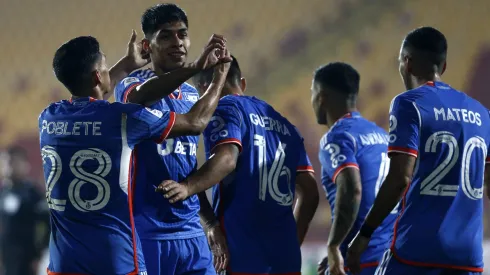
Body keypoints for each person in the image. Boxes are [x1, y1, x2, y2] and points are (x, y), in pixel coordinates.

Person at [41, 34, 230, 274]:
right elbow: (195, 122)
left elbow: (90, 100)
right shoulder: (122, 119)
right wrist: (219, 75)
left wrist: (128, 63)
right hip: (115, 259)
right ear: (98, 76)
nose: (111, 72)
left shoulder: (48, 118)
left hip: (63, 261)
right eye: (106, 68)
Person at [157, 55, 320, 275]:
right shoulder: (286, 125)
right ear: (242, 83)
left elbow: (227, 159)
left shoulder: (225, 107)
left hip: (241, 254)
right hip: (285, 260)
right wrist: (291, 242)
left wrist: (188, 187)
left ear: (206, 89)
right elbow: (310, 193)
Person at [347, 26, 490, 275]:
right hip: (467, 257)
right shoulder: (482, 114)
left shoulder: (409, 104)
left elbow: (400, 179)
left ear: (407, 63)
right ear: (443, 67)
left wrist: (364, 235)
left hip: (417, 252)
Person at [114, 4, 229, 275]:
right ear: (148, 45)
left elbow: (186, 164)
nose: (177, 42)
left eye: (182, 34)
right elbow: (139, 97)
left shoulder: (190, 95)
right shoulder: (130, 85)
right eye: (165, 36)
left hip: (190, 231)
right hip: (146, 232)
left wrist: (210, 223)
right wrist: (197, 68)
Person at [310, 63, 397, 275]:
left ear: (321, 96)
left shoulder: (337, 138)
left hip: (358, 263)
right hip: (389, 261)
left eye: (312, 93)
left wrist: (334, 246)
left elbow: (352, 188)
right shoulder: (382, 137)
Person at [0, 146, 49, 275]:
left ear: (24, 165)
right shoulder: (2, 193)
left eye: (13, 162)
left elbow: (48, 224)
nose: (9, 166)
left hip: (28, 260)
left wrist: (39, 255)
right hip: (5, 260)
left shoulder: (33, 194)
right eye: (6, 162)